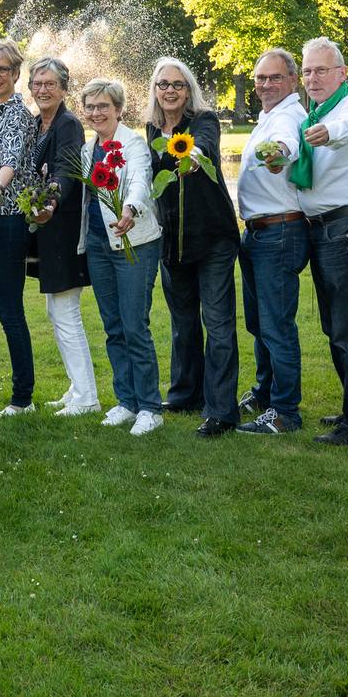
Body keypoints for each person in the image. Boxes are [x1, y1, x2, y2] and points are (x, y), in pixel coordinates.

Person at [292, 38, 348, 446]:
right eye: (307, 71)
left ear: (342, 73)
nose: (312, 78)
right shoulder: (318, 109)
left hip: (347, 226)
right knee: (335, 325)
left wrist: (328, 132)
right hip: (324, 227)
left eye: (321, 70)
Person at [145, 55, 242, 437]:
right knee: (182, 324)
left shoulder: (204, 121)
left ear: (188, 91)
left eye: (177, 84)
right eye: (163, 84)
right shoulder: (152, 128)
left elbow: (202, 148)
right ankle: (186, 393)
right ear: (155, 90)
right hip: (173, 241)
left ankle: (221, 411)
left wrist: (192, 157)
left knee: (217, 324)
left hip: (212, 238)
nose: (170, 90)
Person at [78, 79, 165, 436]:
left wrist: (130, 208)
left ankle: (150, 408)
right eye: (91, 107)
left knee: (134, 326)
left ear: (118, 109)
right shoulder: (88, 150)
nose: (96, 112)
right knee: (113, 327)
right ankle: (126, 401)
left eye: (103, 106)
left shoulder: (132, 144)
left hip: (134, 242)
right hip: (99, 246)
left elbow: (141, 181)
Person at [234, 49, 312, 437]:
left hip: (279, 233)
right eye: (261, 78)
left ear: (292, 80)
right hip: (259, 232)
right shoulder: (269, 114)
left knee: (277, 325)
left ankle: (285, 412)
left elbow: (286, 145)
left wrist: (277, 154)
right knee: (259, 323)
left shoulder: (287, 116)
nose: (266, 84)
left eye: (275, 77)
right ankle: (265, 392)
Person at [25, 57, 98, 417]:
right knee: (58, 312)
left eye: (50, 84)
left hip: (64, 229)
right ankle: (76, 388)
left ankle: (87, 397)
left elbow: (67, 169)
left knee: (66, 313)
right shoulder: (38, 123)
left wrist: (50, 201)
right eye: (37, 84)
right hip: (48, 231)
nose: (43, 90)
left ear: (64, 89)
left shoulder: (67, 124)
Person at [0, 37, 41, 415]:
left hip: (10, 219)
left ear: (15, 73)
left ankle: (22, 398)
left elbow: (10, 161)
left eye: (3, 69)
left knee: (9, 308)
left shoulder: (17, 115)